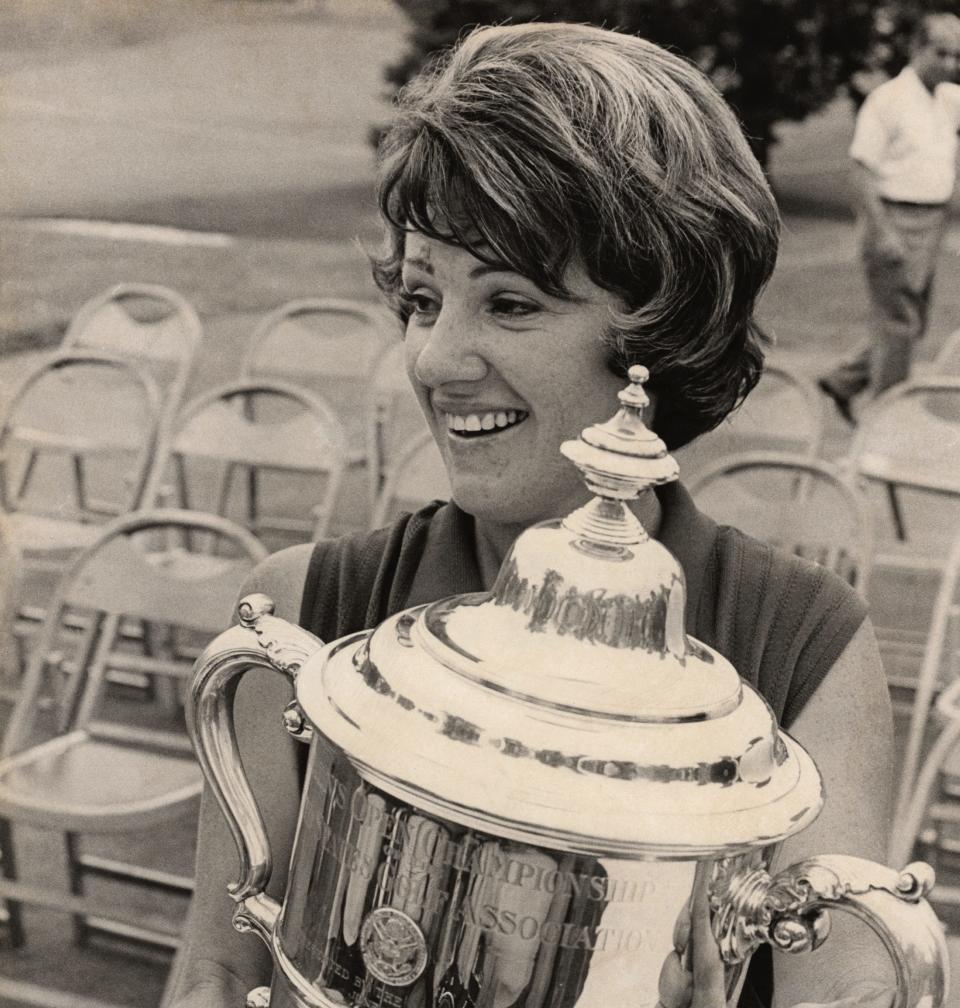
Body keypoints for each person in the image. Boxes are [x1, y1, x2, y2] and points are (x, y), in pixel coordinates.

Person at [168, 23, 897, 1008]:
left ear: (661, 324)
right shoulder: (300, 607)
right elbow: (217, 970)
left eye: (510, 304)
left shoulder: (805, 649)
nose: (433, 359)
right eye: (424, 300)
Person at [817, 12, 960, 425]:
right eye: (941, 53)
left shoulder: (949, 98)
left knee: (911, 323)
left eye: (957, 55)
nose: (950, 63)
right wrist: (882, 234)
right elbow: (860, 171)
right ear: (917, 49)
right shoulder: (889, 100)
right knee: (898, 325)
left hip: (931, 225)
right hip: (893, 219)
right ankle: (888, 419)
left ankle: (844, 380)